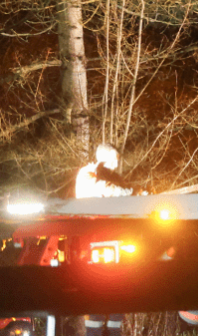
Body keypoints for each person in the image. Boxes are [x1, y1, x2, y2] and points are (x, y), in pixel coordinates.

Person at [75, 144, 133, 336]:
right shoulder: (88, 174)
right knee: (97, 287)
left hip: (113, 236)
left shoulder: (113, 177)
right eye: (114, 159)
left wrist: (139, 193)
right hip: (93, 236)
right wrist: (128, 194)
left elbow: (123, 192)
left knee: (118, 288)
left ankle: (115, 327)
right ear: (104, 158)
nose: (117, 163)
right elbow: (105, 189)